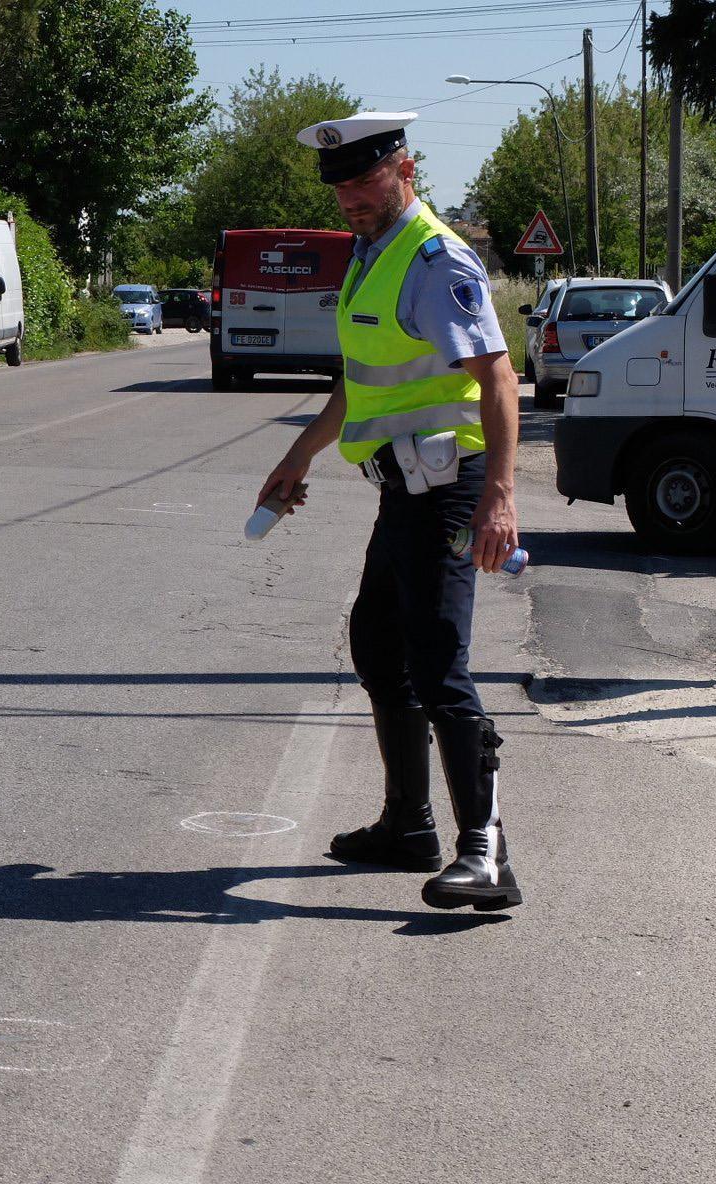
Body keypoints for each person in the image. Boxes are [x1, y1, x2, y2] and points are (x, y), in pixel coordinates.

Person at [256, 112, 524, 911]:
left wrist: (500, 498)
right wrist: (300, 453)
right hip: (401, 488)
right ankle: (409, 824)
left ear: (405, 168)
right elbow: (366, 379)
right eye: (339, 188)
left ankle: (488, 855)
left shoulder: (435, 260)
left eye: (365, 183)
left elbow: (501, 380)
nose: (351, 200)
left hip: (453, 484)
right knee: (378, 646)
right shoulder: (371, 255)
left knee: (440, 663)